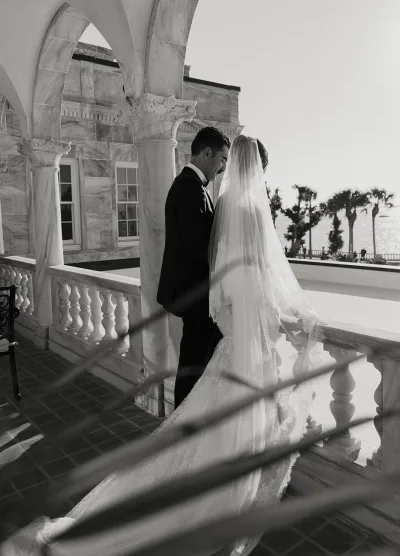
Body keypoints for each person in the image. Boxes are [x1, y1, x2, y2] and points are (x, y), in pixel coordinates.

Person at [2, 136, 324, 556]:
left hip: (224, 324)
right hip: (232, 325)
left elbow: (222, 270)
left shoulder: (219, 203)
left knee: (208, 397)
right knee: (215, 398)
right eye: (221, 160)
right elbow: (254, 274)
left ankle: (195, 462)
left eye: (230, 162)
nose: (224, 168)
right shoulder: (221, 202)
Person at [157, 126, 230, 408]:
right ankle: (182, 428)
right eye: (222, 159)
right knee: (193, 366)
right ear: (207, 153)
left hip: (192, 294)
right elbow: (197, 245)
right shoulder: (190, 188)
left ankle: (189, 423)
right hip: (194, 297)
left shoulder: (192, 185)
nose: (223, 168)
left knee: (197, 362)